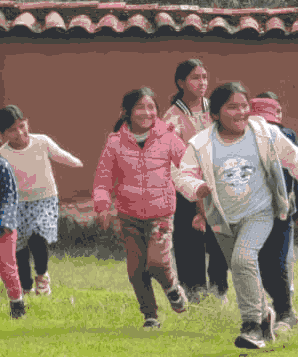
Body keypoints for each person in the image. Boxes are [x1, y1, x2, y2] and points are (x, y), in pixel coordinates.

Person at [174, 82, 298, 350]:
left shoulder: (264, 133)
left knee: (242, 258)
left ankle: (252, 326)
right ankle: (265, 314)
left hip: (260, 212)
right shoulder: (201, 143)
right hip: (222, 218)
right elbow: (182, 175)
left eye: (244, 106)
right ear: (214, 114)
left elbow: (295, 160)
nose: (241, 112)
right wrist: (197, 187)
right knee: (241, 269)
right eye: (232, 107)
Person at [90, 88, 190, 328]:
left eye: (151, 107)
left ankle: (172, 288)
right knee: (136, 270)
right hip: (129, 216)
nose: (147, 113)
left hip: (161, 214)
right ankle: (150, 316)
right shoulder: (115, 143)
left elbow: (189, 165)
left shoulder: (168, 138)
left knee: (157, 262)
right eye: (140, 107)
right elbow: (103, 178)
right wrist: (102, 206)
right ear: (127, 112)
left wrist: (200, 190)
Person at [162, 58, 229, 303]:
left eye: (204, 77)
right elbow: (172, 158)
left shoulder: (216, 109)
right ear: (181, 82)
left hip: (217, 183)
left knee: (220, 237)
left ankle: (219, 289)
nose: (202, 83)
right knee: (189, 240)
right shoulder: (172, 117)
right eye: (195, 78)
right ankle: (193, 290)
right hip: (186, 185)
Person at [0, 104, 83, 296]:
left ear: (26, 122)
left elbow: (60, 154)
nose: (20, 133)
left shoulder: (41, 142)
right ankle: (25, 284)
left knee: (38, 236)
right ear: (3, 134)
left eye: (22, 126)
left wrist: (77, 163)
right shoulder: (3, 154)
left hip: (45, 200)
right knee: (19, 246)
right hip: (17, 204)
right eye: (12, 130)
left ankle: (42, 278)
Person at [249, 91, 298, 333]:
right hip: (257, 210)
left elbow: (297, 172)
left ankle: (285, 312)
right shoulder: (246, 140)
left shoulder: (286, 136)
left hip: (279, 211)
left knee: (276, 261)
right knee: (263, 262)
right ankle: (274, 310)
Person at [2, 157, 25, 319]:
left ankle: (17, 306)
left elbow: (10, 196)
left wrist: (6, 222)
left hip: (3, 228)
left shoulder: (2, 166)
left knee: (7, 267)